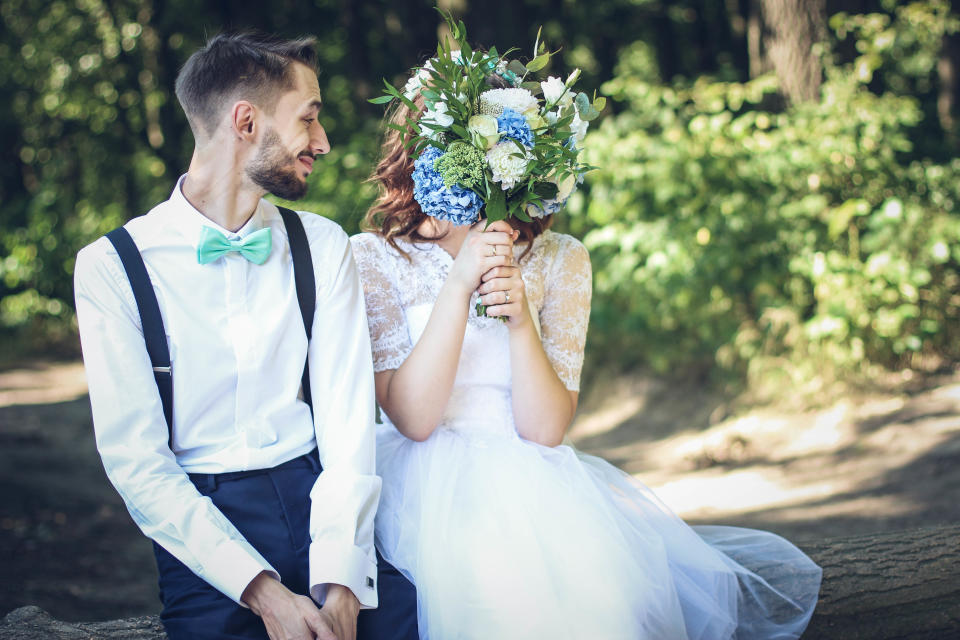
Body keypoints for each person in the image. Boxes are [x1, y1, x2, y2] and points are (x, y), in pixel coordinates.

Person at [348, 94, 822, 638]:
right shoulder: (375, 256)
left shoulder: (561, 257)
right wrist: (459, 286)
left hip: (532, 480)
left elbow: (545, 430)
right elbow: (414, 419)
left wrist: (521, 318)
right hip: (419, 489)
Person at [74, 33, 417, 640]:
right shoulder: (112, 267)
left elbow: (346, 422)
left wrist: (340, 584)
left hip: (322, 502)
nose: (323, 142)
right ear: (247, 121)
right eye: (309, 118)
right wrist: (265, 596)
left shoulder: (322, 245)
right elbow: (138, 464)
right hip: (204, 528)